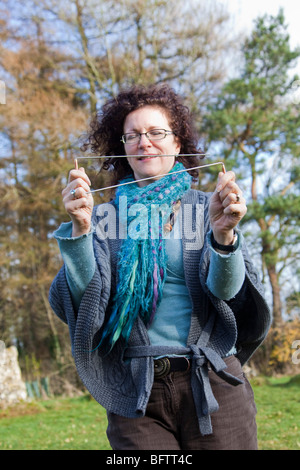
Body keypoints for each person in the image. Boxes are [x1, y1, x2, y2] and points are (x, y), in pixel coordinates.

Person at [49, 83, 271, 450]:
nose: (144, 141)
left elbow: (226, 293)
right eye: (132, 135)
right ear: (122, 149)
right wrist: (81, 232)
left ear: (178, 144)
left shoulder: (207, 209)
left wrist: (223, 235)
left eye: (156, 132)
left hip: (212, 383)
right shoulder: (102, 217)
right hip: (135, 391)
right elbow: (87, 300)